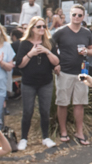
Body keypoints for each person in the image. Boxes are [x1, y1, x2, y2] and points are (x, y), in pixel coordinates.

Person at [52, 4, 92, 146]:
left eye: (80, 15)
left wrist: (86, 52)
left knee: (79, 103)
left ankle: (79, 132)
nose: (76, 17)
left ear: (84, 17)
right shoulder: (61, 31)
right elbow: (50, 46)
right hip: (64, 72)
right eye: (74, 15)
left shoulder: (87, 33)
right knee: (62, 103)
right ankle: (63, 131)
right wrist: (55, 64)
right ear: (69, 15)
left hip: (82, 72)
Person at [15, 18, 59, 150]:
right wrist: (31, 53)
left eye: (44, 26)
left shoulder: (49, 42)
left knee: (44, 111)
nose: (41, 29)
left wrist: (47, 51)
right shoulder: (24, 44)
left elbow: (56, 62)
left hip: (45, 82)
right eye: (39, 26)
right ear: (32, 28)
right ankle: (24, 138)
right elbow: (20, 64)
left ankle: (45, 137)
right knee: (27, 111)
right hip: (29, 82)